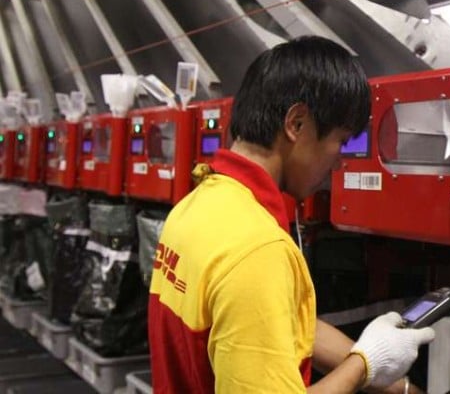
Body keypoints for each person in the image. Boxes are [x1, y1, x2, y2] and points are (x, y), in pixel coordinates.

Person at [149, 37, 434, 393]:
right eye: (340, 141)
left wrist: (395, 382)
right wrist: (365, 365)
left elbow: (267, 325)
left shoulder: (197, 205)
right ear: (296, 124)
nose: (340, 160)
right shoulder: (257, 249)